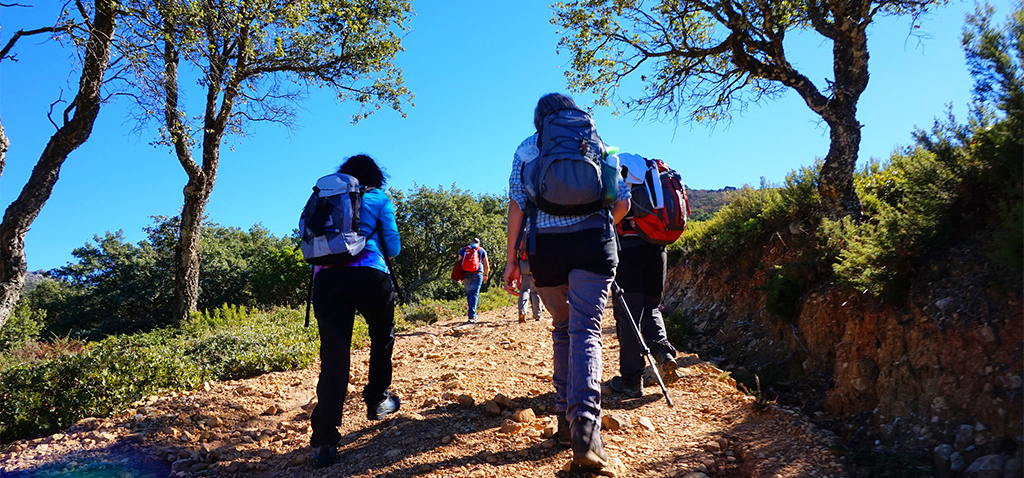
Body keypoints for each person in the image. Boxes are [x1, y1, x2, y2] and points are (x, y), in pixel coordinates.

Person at [503, 93, 630, 472]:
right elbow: (621, 202)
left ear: (539, 119)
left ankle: (563, 419)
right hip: (593, 243)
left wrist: (512, 260)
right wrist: (605, 228)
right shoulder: (597, 142)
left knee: (562, 328)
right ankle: (586, 428)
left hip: (547, 251)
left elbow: (517, 204)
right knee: (586, 331)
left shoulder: (527, 149)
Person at [309, 154, 402, 468]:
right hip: (369, 274)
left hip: (326, 279)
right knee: (381, 336)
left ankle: (324, 440)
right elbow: (393, 247)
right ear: (376, 176)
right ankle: (377, 400)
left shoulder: (324, 198)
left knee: (334, 354)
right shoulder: (377, 197)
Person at [608, 152, 680, 399]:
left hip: (627, 252)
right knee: (652, 307)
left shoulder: (615, 173)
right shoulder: (654, 174)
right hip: (658, 250)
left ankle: (631, 380)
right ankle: (663, 353)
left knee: (628, 315)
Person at [456, 238, 490, 323]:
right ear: (478, 243)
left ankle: (471, 314)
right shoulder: (481, 250)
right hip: (477, 274)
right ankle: (472, 316)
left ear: (471, 242)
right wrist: (486, 275)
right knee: (474, 295)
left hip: (466, 274)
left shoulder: (464, 249)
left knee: (469, 295)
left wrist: (459, 277)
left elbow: (459, 263)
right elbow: (486, 264)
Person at [517, 249, 543, 323]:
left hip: (523, 263)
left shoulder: (521, 237)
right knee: (535, 291)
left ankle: (522, 312)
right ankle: (537, 315)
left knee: (524, 290)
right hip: (535, 263)